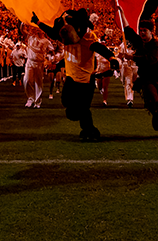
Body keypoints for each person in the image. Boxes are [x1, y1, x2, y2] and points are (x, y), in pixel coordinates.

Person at [34, 8, 119, 141]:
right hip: (71, 78)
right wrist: (38, 22)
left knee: (83, 109)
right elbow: (52, 33)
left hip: (85, 80)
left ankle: (90, 131)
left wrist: (112, 59)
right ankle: (86, 126)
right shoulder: (67, 38)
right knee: (67, 104)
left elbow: (99, 48)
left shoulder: (87, 38)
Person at [123, 19, 158, 137]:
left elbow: (152, 59)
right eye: (140, 30)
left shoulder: (156, 45)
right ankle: (155, 112)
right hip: (147, 78)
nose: (142, 33)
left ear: (151, 32)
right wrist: (121, 13)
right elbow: (128, 31)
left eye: (144, 31)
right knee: (153, 100)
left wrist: (133, 57)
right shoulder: (139, 42)